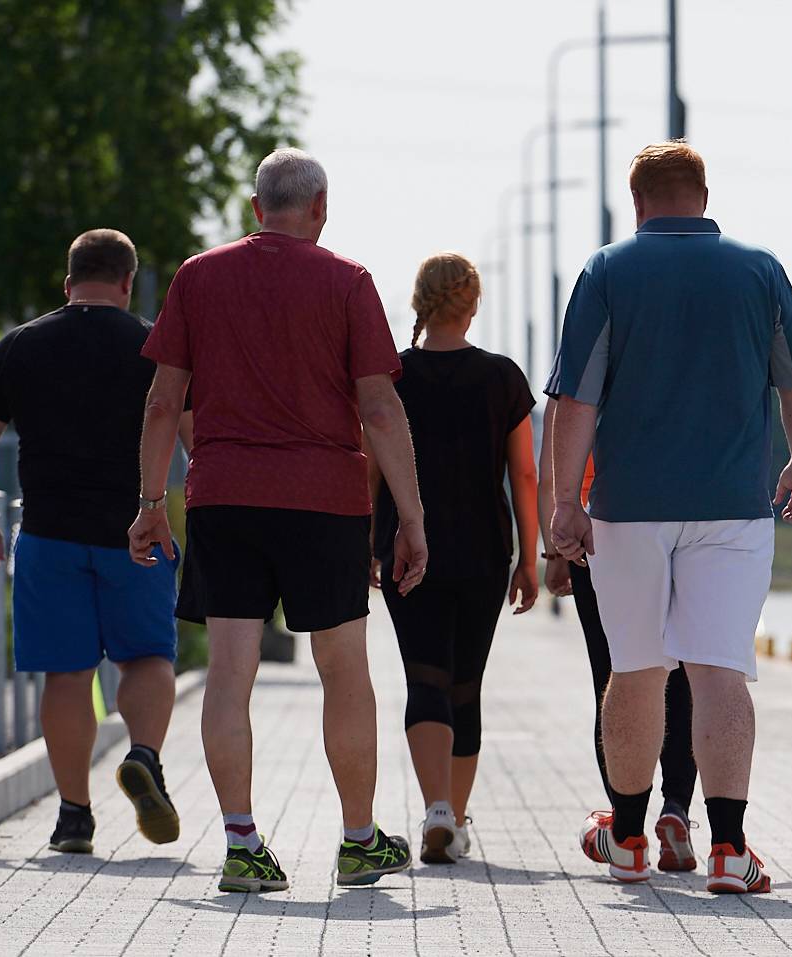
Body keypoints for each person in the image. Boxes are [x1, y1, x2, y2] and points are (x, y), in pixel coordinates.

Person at [127, 147, 428, 893]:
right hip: (325, 501)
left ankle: (242, 845)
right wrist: (411, 518)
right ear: (320, 208)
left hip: (224, 497)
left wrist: (150, 504)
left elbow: (163, 402)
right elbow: (380, 407)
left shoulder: (199, 277)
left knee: (230, 672)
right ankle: (359, 840)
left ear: (257, 208)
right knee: (344, 670)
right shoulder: (347, 281)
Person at [544, 141, 792, 893]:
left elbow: (575, 401)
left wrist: (564, 502)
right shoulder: (759, 270)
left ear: (637, 201)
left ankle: (627, 839)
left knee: (635, 671)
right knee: (720, 673)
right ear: (703, 196)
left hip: (629, 510)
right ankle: (729, 849)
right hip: (733, 509)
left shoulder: (607, 271)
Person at [0, 228, 187, 855]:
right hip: (137, 532)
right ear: (127, 282)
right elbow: (196, 436)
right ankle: (143, 755)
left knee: (67, 673)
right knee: (147, 658)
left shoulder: (21, 345)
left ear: (68, 282)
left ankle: (74, 816)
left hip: (50, 536)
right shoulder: (156, 347)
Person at [373, 252, 539, 864]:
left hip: (403, 547)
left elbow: (369, 468)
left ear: (420, 302)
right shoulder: (502, 379)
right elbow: (524, 474)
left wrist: (366, 542)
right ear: (472, 305)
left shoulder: (391, 378)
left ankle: (437, 809)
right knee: (466, 684)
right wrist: (529, 557)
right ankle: (456, 819)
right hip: (483, 549)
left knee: (425, 677)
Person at [541, 455, 701, 874]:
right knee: (681, 674)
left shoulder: (587, 396)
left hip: (602, 521)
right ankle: (676, 807)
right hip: (690, 512)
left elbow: (551, 468)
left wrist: (554, 551)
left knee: (615, 677)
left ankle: (626, 825)